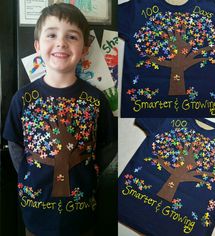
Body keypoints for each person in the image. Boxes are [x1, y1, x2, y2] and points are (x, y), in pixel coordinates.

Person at [3, 3, 114, 236]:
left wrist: (88, 170)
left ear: (84, 49)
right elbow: (15, 145)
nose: (61, 42)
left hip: (82, 216)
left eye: (71, 36)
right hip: (36, 215)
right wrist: (30, 171)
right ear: (38, 45)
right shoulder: (24, 98)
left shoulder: (95, 100)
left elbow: (106, 146)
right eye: (51, 34)